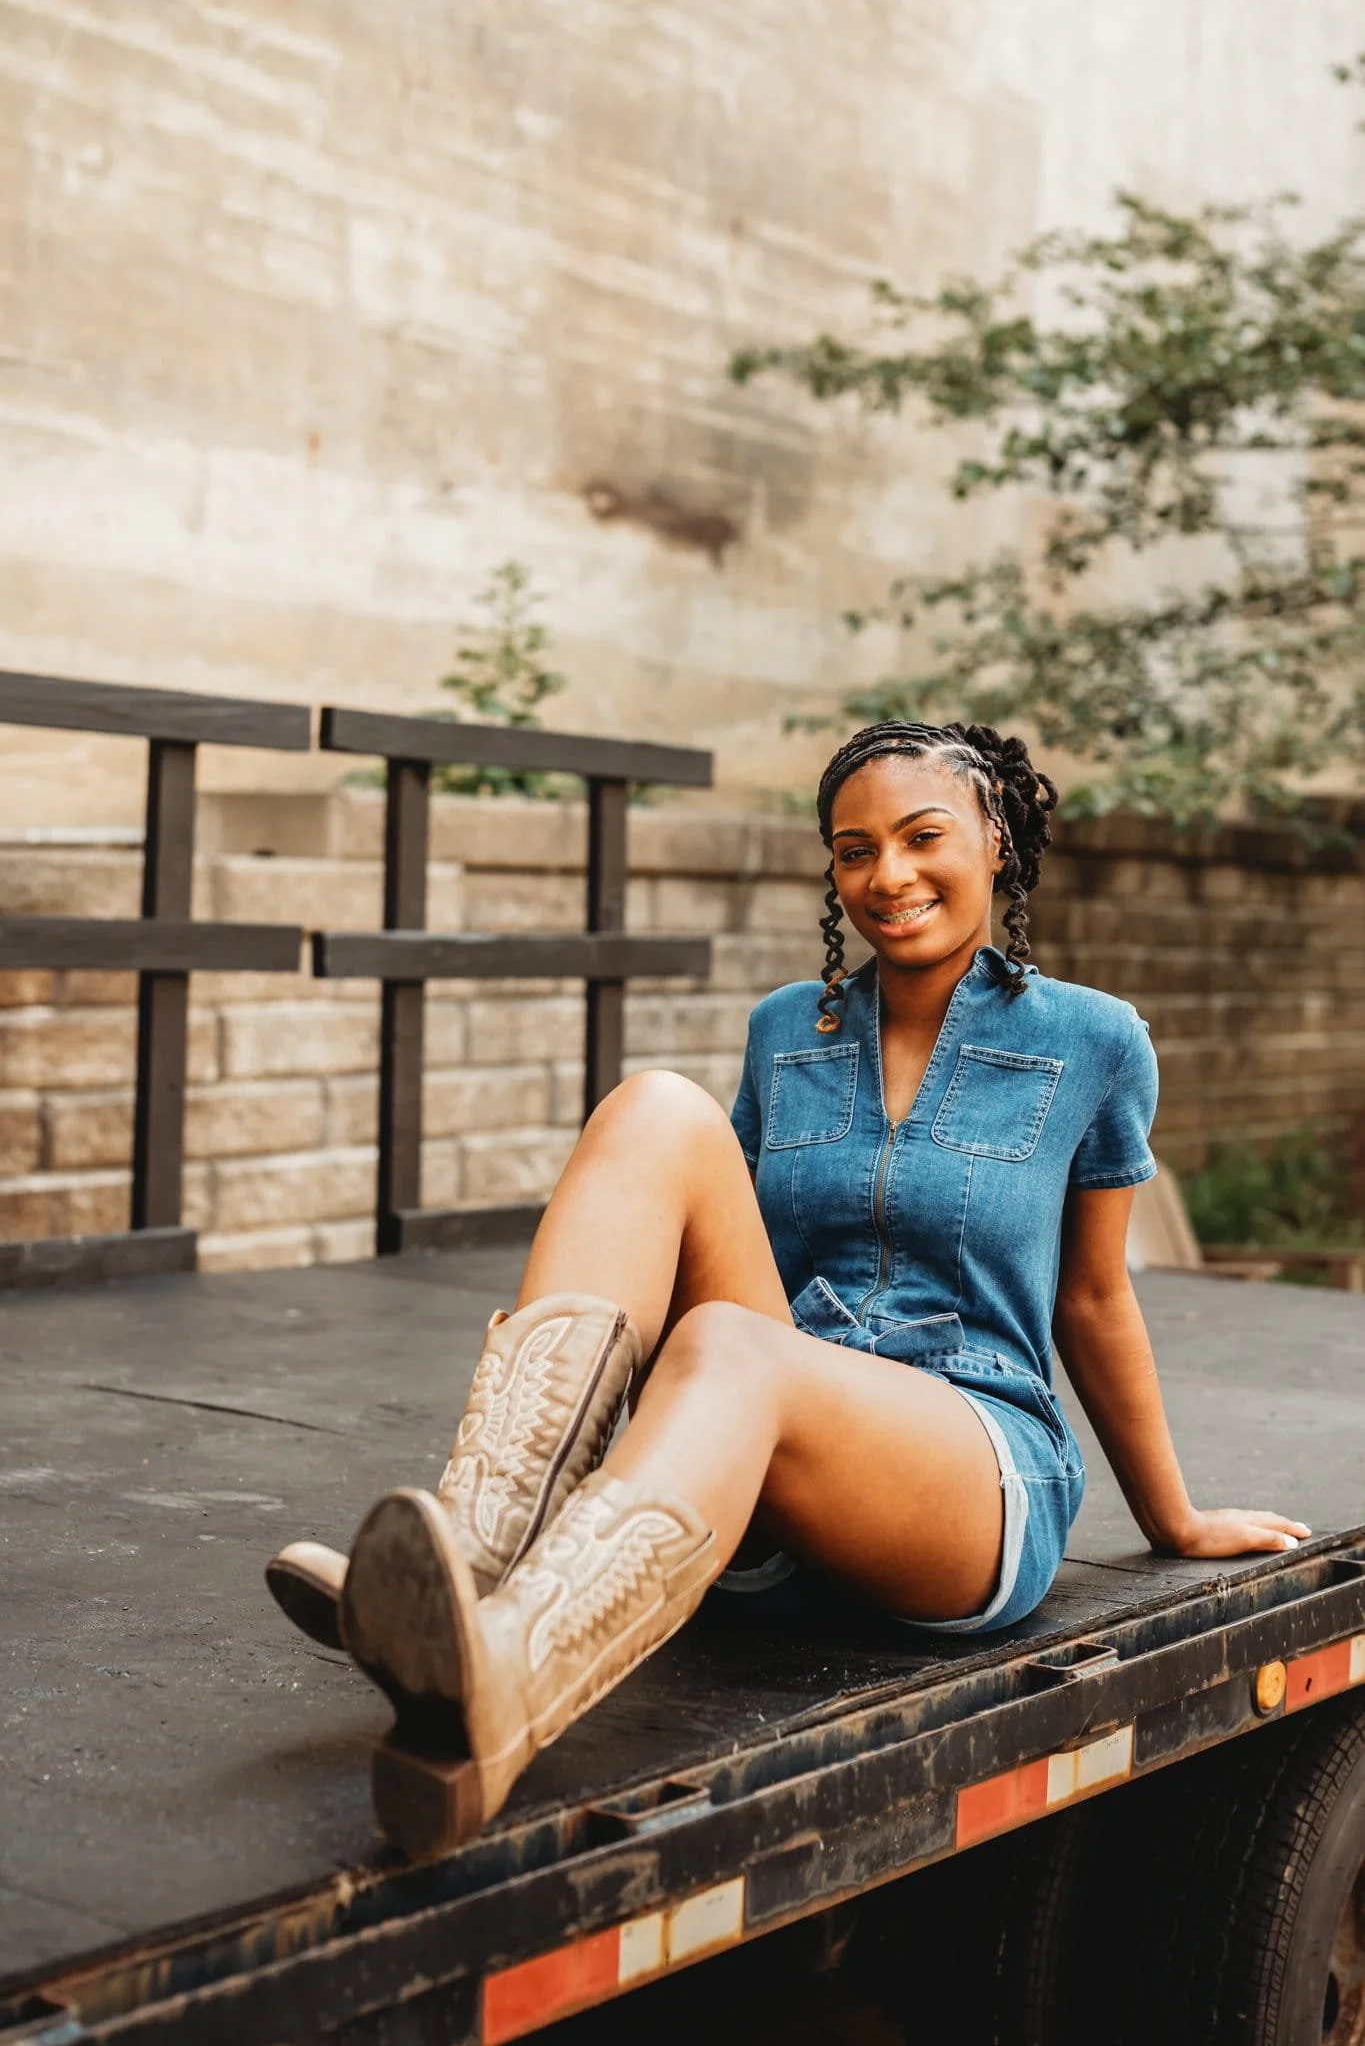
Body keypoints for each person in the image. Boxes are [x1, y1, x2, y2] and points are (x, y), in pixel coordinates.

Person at [266, 719, 1308, 1857]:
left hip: (967, 1464)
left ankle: (505, 1683)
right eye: (854, 849)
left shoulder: (1094, 1040)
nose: (888, 876)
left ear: (996, 839)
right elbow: (725, 1245)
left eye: (922, 838)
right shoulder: (785, 1031)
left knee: (728, 1346)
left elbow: (1095, 1297)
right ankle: (478, 1551)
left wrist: (1175, 1516)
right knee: (656, 1105)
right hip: (782, 1433)